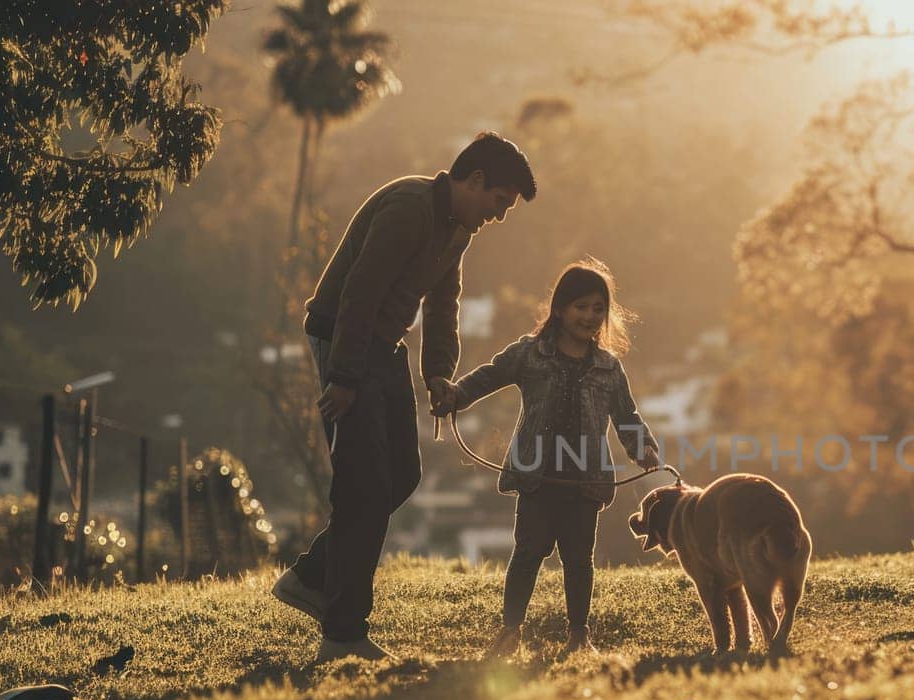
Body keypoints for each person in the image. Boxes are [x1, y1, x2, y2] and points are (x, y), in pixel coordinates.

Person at [271, 132, 536, 663]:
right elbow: (359, 293)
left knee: (401, 476)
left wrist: (439, 372)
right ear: (475, 180)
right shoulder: (408, 207)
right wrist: (343, 378)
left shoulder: (457, 228)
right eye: (499, 202)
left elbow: (444, 302)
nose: (499, 216)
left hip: (384, 345)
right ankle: (342, 634)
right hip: (346, 340)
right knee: (362, 486)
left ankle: (310, 577)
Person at [443, 258, 661, 659]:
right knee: (527, 553)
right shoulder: (530, 354)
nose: (591, 316)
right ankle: (510, 632)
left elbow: (626, 417)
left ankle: (579, 635)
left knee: (579, 560)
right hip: (537, 478)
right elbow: (490, 374)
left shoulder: (609, 368)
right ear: (559, 309)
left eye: (598, 309)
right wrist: (457, 394)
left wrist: (642, 448)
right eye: (581, 307)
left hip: (585, 481)